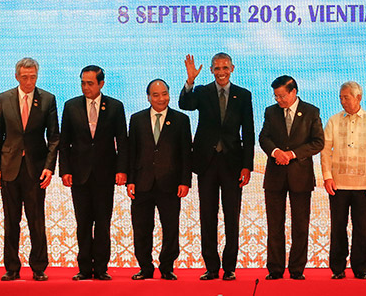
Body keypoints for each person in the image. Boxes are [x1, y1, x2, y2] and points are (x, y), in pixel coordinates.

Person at [179, 53, 254, 281]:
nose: (221, 72)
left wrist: (247, 165)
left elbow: (248, 133)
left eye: (225, 68)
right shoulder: (202, 92)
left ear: (232, 68)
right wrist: (190, 81)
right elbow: (185, 105)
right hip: (207, 163)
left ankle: (229, 267)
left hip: (233, 163)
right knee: (207, 215)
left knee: (232, 216)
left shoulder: (243, 95)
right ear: (211, 70)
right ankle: (211, 266)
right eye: (217, 68)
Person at [0, 57, 59, 281]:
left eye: (33, 77)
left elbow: (54, 138)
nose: (29, 82)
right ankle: (11, 267)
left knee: (36, 219)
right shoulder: (4, 98)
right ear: (17, 76)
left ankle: (39, 267)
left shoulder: (47, 99)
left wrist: (49, 167)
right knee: (11, 220)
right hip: (9, 168)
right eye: (25, 77)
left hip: (36, 169)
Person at [59, 65, 128, 280]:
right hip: (79, 174)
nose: (85, 87)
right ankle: (84, 268)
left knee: (102, 222)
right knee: (83, 223)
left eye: (90, 83)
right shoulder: (71, 106)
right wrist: (65, 170)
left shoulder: (115, 107)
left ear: (101, 84)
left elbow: (122, 142)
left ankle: (101, 268)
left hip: (105, 174)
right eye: (82, 83)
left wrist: (122, 170)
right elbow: (64, 142)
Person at [259, 75, 324, 280]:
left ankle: (297, 270)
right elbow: (264, 138)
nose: (279, 100)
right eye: (276, 97)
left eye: (282, 96)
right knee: (275, 224)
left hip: (300, 176)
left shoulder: (311, 112)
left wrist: (292, 154)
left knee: (300, 225)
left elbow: (318, 142)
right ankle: (275, 269)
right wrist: (276, 151)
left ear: (293, 92)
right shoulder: (271, 112)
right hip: (275, 176)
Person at [127, 79, 192, 280]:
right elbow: (131, 152)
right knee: (141, 228)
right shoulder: (136, 119)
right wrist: (130, 180)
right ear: (148, 97)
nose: (161, 98)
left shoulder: (181, 120)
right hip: (142, 182)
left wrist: (185, 181)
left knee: (171, 227)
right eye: (156, 95)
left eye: (164, 94)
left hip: (170, 184)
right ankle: (145, 267)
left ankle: (166, 267)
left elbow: (185, 154)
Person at [321, 81, 366, 280]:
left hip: (363, 185)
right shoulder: (333, 121)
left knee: (361, 227)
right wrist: (327, 177)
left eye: (346, 97)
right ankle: (338, 268)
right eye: (340, 97)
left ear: (358, 97)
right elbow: (325, 151)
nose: (342, 101)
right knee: (338, 226)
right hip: (338, 184)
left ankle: (360, 268)